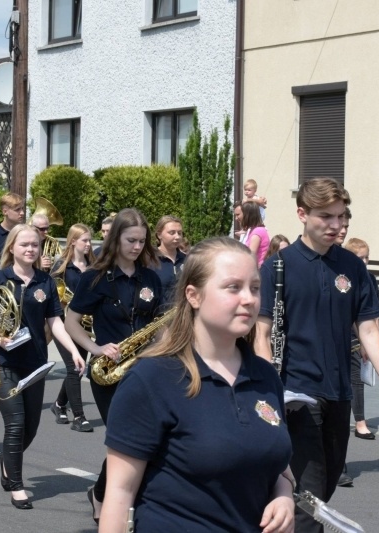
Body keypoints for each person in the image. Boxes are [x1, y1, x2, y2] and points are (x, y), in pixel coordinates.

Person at [100, 237, 294, 532]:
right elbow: (119, 493)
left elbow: (276, 467)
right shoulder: (152, 378)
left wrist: (283, 496)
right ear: (194, 295)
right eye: (233, 287)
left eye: (255, 288)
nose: (249, 299)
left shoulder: (266, 377)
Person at [255, 177, 379, 533]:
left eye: (341, 217)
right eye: (327, 217)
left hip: (340, 391)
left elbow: (368, 330)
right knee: (309, 493)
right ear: (302, 214)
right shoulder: (277, 266)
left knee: (325, 485)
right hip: (296, 393)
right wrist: (270, 389)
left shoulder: (353, 267)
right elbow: (261, 334)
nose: (336, 226)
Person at [0, 224, 84, 509]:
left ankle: (7, 458)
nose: (31, 249)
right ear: (12, 248)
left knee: (30, 428)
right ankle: (16, 485)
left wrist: (72, 350)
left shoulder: (45, 282)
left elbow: (55, 322)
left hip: (34, 363)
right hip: (2, 363)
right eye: (24, 245)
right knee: (16, 423)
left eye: (35, 245)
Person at [64, 208, 163, 524]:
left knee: (145, 439)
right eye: (131, 240)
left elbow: (157, 323)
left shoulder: (150, 277)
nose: (137, 247)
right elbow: (71, 321)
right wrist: (95, 347)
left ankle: (103, 492)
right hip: (109, 370)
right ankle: (114, 501)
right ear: (115, 238)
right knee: (126, 438)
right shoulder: (94, 277)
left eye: (141, 241)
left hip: (145, 368)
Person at [49, 223, 95, 432]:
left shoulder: (94, 265)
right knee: (74, 367)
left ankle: (59, 404)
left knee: (77, 368)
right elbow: (53, 297)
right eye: (84, 240)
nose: (88, 244)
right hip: (64, 324)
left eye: (89, 240)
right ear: (73, 241)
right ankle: (79, 417)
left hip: (84, 325)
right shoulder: (61, 267)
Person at [344, 237, 377, 440]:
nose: (364, 262)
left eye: (367, 258)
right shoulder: (345, 279)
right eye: (360, 258)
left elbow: (373, 314)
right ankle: (356, 421)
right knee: (348, 380)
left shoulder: (369, 279)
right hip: (349, 335)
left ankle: (360, 421)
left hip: (363, 335)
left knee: (357, 380)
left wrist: (374, 342)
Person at [152, 215, 186, 306]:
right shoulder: (150, 260)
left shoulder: (187, 260)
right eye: (172, 233)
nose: (177, 237)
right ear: (159, 235)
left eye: (179, 233)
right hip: (158, 316)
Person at [240, 202, 270, 267]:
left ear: (247, 215)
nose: (238, 217)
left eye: (240, 214)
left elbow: (251, 256)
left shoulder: (257, 232)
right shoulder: (254, 230)